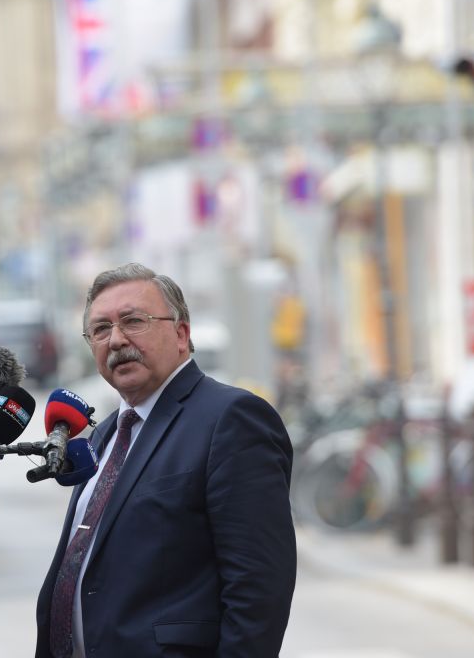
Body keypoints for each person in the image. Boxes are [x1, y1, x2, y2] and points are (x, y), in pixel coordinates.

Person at [34, 263, 296, 658]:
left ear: (181, 333)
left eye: (133, 321)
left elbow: (258, 588)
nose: (116, 340)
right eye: (100, 329)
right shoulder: (105, 434)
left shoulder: (231, 418)